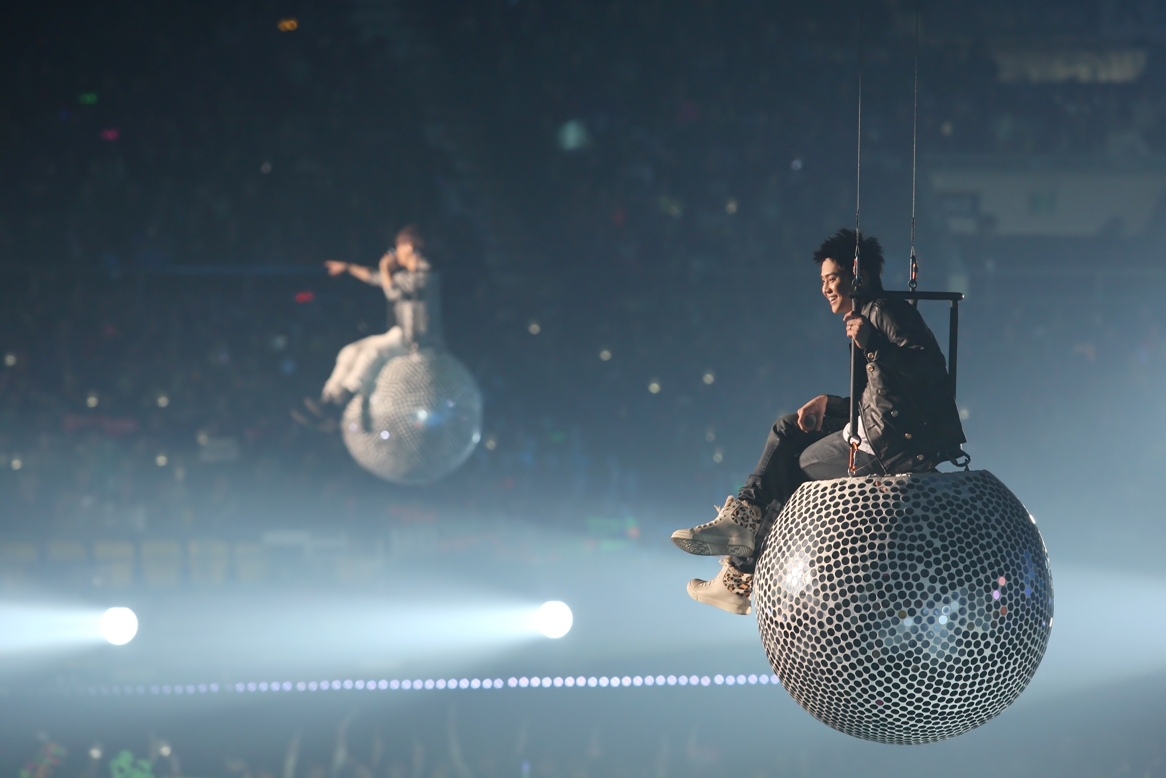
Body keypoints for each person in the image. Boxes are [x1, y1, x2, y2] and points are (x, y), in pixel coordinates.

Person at [670, 229, 966, 615]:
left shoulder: (883, 312)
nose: (825, 288)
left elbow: (929, 370)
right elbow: (885, 395)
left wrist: (874, 344)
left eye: (832, 279)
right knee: (788, 428)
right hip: (885, 430)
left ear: (857, 276)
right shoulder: (870, 315)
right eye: (823, 281)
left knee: (794, 468)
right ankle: (739, 540)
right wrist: (831, 404)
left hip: (891, 444)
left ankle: (738, 569)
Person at [318, 225, 443, 408]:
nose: (395, 254)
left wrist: (385, 269)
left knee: (372, 354)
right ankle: (326, 398)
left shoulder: (427, 276)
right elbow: (374, 277)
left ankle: (344, 398)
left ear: (408, 247)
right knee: (350, 351)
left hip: (418, 344)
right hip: (399, 336)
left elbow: (392, 292)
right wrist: (347, 267)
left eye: (397, 248)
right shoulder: (404, 276)